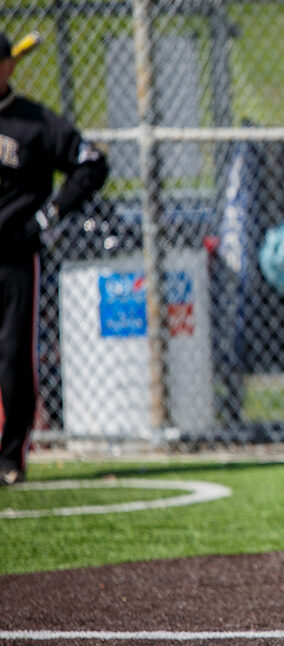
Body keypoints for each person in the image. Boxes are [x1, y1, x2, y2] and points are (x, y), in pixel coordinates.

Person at [0, 33, 108, 485]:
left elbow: (92, 163)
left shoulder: (34, 123)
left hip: (15, 256)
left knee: (12, 355)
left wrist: (48, 216)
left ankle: (8, 457)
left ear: (8, 65)